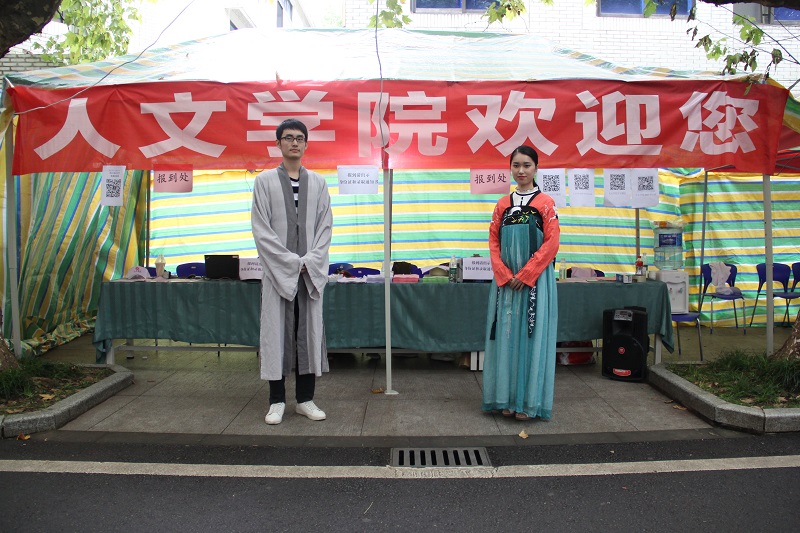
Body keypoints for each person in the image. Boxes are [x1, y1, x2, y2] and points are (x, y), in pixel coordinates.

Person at [251, 118, 333, 425]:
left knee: (309, 334)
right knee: (276, 334)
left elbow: (325, 227)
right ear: (278, 143)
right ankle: (276, 401)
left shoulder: (319, 183)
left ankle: (305, 399)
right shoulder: (264, 182)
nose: (294, 142)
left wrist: (309, 262)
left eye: (299, 138)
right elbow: (261, 229)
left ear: (306, 144)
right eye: (288, 138)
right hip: (278, 274)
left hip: (309, 275)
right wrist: (289, 263)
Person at [481, 145, 560, 421]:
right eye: (516, 165)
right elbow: (493, 241)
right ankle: (505, 397)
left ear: (536, 168)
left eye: (527, 165)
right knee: (505, 337)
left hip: (535, 282)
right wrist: (503, 274)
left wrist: (527, 274)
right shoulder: (502, 204)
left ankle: (527, 402)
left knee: (530, 338)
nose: (521, 170)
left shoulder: (546, 203)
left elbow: (552, 243)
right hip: (505, 284)